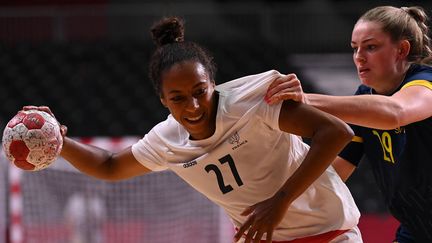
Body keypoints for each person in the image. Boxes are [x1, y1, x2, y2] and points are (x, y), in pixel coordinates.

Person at [24, 17, 362, 243]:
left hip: (330, 231)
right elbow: (110, 166)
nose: (194, 106)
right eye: (178, 98)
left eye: (200, 91)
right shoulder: (166, 139)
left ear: (213, 83)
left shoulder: (253, 100)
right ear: (162, 100)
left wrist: (280, 202)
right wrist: (60, 141)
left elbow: (336, 133)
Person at [265, 5, 432, 243]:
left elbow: (396, 112)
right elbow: (333, 172)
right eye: (355, 48)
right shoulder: (366, 98)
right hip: (416, 230)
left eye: (371, 47)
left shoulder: (426, 82)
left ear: (402, 49)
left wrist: (306, 100)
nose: (359, 57)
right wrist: (277, 198)